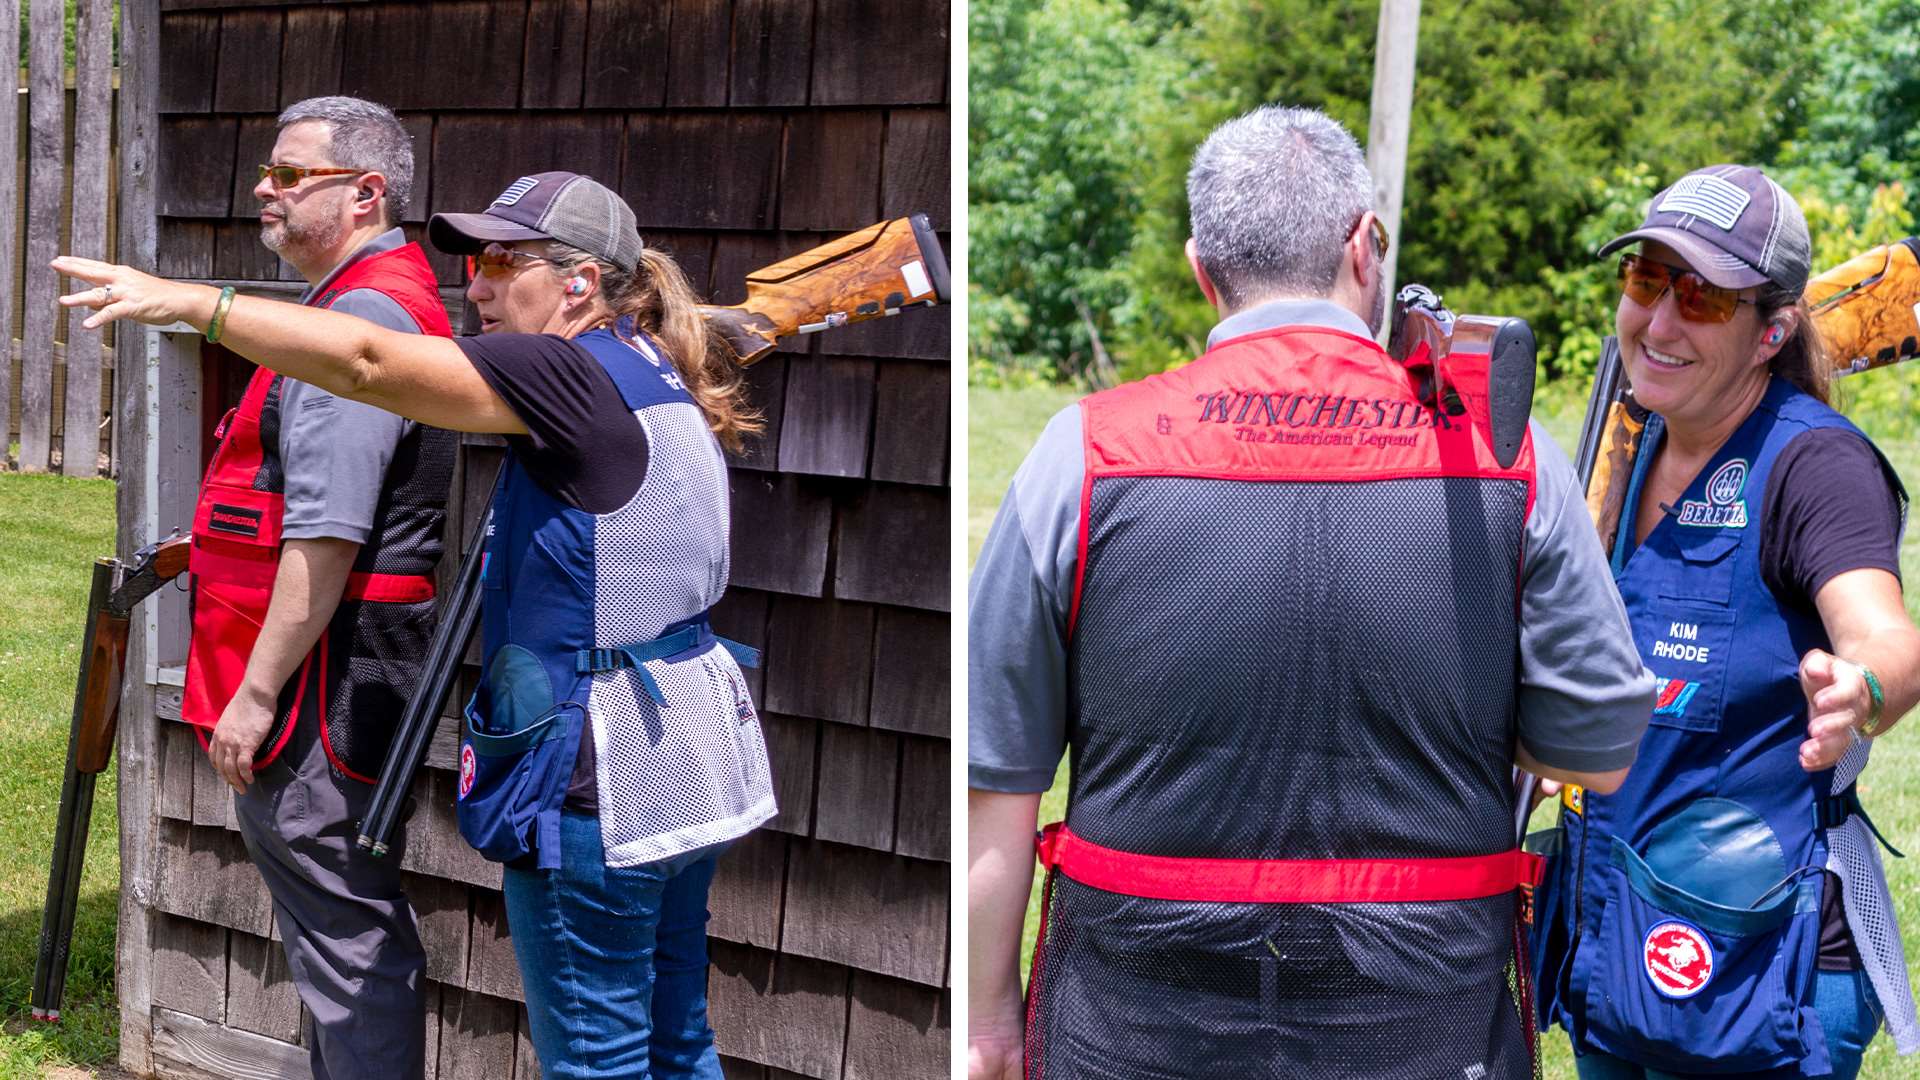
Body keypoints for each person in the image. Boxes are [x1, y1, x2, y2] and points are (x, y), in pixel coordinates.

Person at [967, 104, 1657, 1080]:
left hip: (1131, 1032)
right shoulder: (1510, 460)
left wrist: (989, 1023)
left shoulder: (1082, 454)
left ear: (1202, 268)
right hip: (1425, 1028)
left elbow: (997, 777)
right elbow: (1600, 750)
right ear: (1365, 247)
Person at [56, 171, 776, 1080]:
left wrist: (195, 302)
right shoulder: (653, 365)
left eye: (498, 261)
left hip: (606, 779)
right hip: (690, 764)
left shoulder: (564, 369)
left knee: (599, 1065)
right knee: (677, 1045)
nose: (470, 285)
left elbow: (365, 362)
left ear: (580, 282)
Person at [1532, 165, 1920, 1078]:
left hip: (1758, 971)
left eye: (1703, 298)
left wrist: (1859, 686)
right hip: (1621, 940)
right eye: (1646, 282)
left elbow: (1886, 638)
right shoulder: (1627, 448)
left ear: (1771, 332)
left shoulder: (1815, 465)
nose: (1660, 322)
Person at [180, 95, 453, 1080]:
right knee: (341, 942)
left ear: (366, 193)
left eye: (290, 175)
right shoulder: (352, 306)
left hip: (320, 691)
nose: (265, 187)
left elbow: (330, 534)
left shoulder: (366, 318)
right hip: (337, 674)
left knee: (348, 949)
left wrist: (255, 696)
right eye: (269, 170)